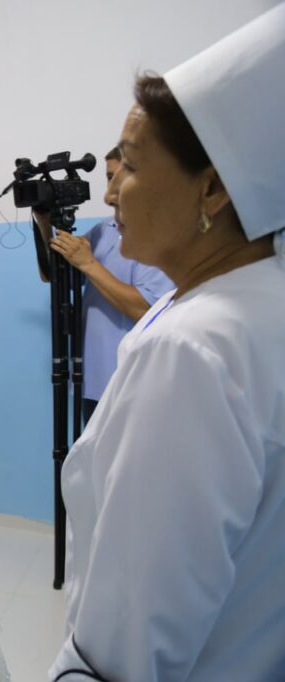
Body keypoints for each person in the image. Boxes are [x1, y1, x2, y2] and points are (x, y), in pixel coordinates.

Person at [50, 6, 285, 681]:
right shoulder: (252, 301)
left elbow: (128, 644)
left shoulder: (193, 351)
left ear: (211, 189)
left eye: (129, 166)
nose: (111, 193)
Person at [37, 148, 174, 423]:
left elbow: (146, 310)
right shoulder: (104, 230)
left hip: (131, 384)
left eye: (121, 176)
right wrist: (44, 222)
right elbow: (53, 274)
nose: (112, 188)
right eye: (109, 177)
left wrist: (89, 263)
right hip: (90, 380)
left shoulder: (161, 231)